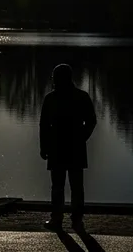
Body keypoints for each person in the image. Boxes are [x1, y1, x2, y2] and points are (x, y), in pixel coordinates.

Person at [39, 63, 97, 231]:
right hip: (74, 148)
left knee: (58, 186)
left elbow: (44, 126)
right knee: (76, 186)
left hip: (57, 147)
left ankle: (57, 219)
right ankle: (76, 220)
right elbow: (91, 121)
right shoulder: (81, 96)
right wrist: (82, 138)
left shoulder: (51, 98)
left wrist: (44, 147)